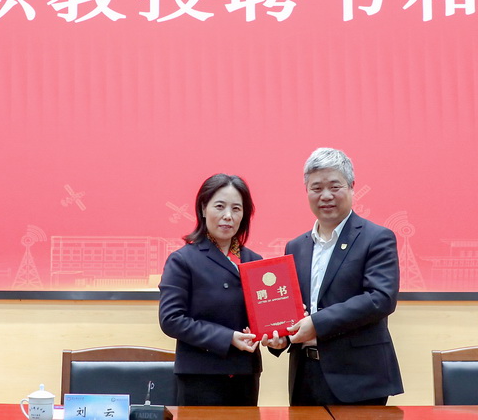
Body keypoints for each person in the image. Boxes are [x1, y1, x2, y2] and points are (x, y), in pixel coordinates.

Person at [265, 147, 403, 405]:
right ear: (306, 191)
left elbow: (380, 299)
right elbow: (292, 308)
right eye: (316, 188)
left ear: (351, 187)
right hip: (305, 376)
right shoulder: (296, 247)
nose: (325, 195)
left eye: (334, 186)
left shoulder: (377, 238)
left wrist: (317, 323)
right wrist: (281, 337)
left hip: (359, 378)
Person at [158, 173, 263, 405]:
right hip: (200, 377)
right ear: (204, 208)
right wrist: (228, 337)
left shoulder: (255, 262)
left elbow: (266, 315)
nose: (228, 216)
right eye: (220, 206)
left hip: (245, 375)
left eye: (236, 208)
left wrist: (279, 337)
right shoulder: (183, 260)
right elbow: (171, 319)